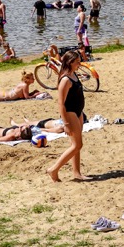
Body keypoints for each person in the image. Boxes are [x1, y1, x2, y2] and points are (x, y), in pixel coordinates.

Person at [47, 50, 88, 182]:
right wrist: (66, 124)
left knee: (75, 144)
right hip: (70, 113)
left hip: (78, 112)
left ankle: (76, 173)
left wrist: (80, 112)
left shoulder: (73, 74)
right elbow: (61, 104)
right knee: (77, 145)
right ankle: (53, 169)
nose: (79, 63)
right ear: (70, 63)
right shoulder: (65, 79)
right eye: (77, 62)